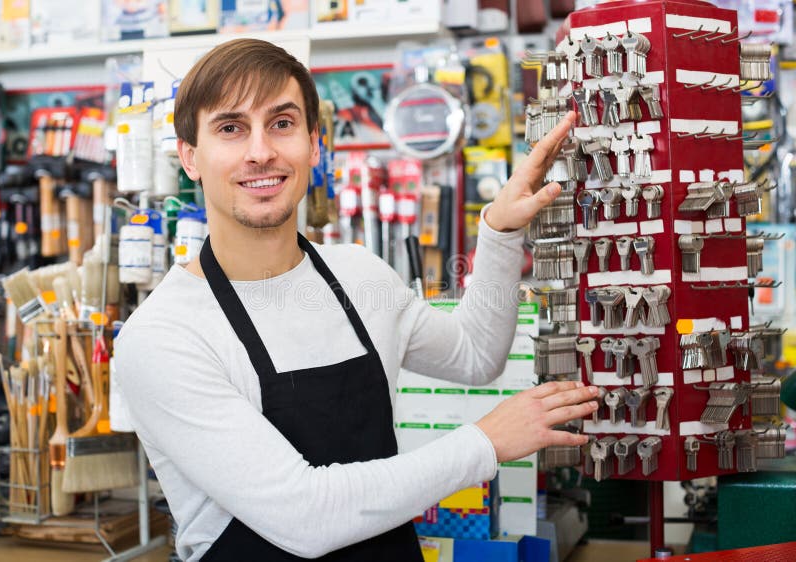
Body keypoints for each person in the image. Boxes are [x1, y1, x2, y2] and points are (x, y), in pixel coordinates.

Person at [114, 38, 598, 562]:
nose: (260, 151)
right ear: (190, 156)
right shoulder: (163, 336)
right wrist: (483, 444)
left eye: (282, 123)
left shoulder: (359, 274)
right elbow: (304, 516)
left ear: (314, 144)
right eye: (231, 128)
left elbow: (476, 356)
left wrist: (499, 231)